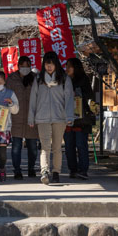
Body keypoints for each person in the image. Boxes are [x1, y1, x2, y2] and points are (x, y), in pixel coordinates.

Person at [27, 51, 74, 185]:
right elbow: (33, 99)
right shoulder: (38, 79)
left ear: (56, 65)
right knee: (45, 146)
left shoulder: (64, 79)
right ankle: (44, 171)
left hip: (60, 118)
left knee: (57, 147)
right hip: (42, 118)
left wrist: (69, 116)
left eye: (52, 64)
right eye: (47, 64)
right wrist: (31, 117)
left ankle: (56, 172)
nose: (49, 67)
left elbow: (69, 99)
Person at [6, 56, 38, 180]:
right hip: (16, 117)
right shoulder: (12, 79)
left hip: (31, 117)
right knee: (16, 147)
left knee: (33, 147)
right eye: (23, 66)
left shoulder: (35, 78)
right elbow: (6, 95)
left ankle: (31, 168)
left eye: (27, 66)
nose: (25, 68)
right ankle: (17, 170)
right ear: (18, 66)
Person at [63, 57, 95, 180]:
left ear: (75, 67)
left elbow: (90, 98)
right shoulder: (64, 81)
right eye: (66, 66)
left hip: (81, 119)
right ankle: (73, 170)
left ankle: (83, 170)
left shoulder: (84, 80)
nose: (67, 69)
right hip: (67, 118)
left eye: (69, 66)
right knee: (69, 146)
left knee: (81, 145)